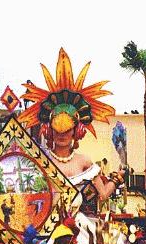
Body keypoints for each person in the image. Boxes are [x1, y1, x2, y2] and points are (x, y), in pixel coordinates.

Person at [18, 48, 125, 212]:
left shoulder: (84, 162)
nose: (62, 135)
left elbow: (102, 194)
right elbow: (28, 199)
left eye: (67, 130)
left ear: (77, 131)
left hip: (78, 228)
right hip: (45, 231)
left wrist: (117, 179)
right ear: (50, 131)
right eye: (58, 130)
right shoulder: (41, 162)